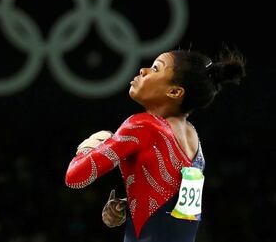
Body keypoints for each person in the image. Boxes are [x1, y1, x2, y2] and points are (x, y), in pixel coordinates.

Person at [65, 47, 246, 242]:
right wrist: (129, 205)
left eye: (156, 68)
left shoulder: (142, 125)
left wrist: (91, 145)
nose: (143, 70)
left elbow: (75, 178)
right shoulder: (193, 138)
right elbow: (178, 212)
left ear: (175, 91)